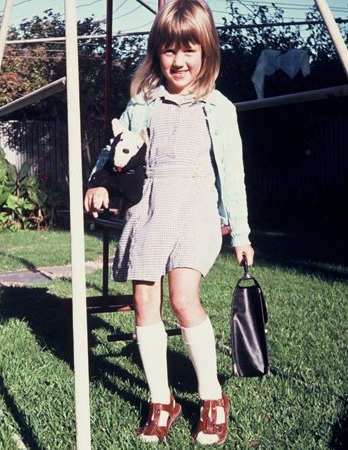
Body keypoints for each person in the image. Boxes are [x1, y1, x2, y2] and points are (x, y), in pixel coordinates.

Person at [84, 0, 254, 445]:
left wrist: (240, 231)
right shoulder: (143, 103)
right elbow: (115, 151)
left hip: (196, 207)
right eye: (169, 52)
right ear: (157, 53)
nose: (179, 61)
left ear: (207, 53)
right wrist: (100, 182)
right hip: (149, 209)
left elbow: (231, 173)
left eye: (189, 51)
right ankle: (163, 401)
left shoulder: (218, 108)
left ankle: (212, 398)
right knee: (144, 303)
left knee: (183, 298)